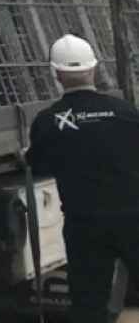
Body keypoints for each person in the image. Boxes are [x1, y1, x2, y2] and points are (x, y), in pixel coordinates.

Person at [26, 34, 139, 323]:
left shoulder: (48, 121)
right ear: (94, 68)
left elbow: (38, 166)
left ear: (57, 75)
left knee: (89, 305)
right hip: (132, 218)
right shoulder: (126, 112)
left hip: (84, 226)